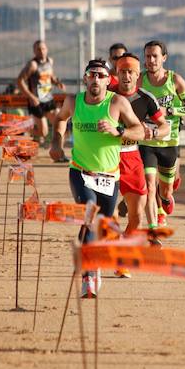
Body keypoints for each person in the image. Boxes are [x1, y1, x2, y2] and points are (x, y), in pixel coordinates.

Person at [48, 59, 144, 297]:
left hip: (109, 176)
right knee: (89, 218)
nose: (96, 79)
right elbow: (60, 119)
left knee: (98, 227)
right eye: (92, 74)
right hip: (80, 172)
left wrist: (118, 131)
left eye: (101, 75)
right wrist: (56, 143)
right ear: (85, 79)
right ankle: (88, 277)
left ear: (107, 80)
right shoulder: (73, 101)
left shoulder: (118, 103)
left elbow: (139, 130)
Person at [111, 53, 170, 273]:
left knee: (137, 213)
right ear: (116, 73)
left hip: (131, 156)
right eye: (122, 71)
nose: (126, 76)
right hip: (106, 157)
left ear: (138, 75)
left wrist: (152, 132)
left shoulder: (145, 98)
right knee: (108, 209)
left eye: (130, 72)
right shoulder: (107, 96)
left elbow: (165, 126)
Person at [138, 40, 185, 228]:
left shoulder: (175, 80)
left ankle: (165, 200)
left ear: (164, 58)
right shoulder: (140, 80)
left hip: (169, 143)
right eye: (147, 56)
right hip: (147, 141)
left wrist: (170, 111)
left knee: (165, 189)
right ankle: (153, 227)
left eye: (155, 56)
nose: (151, 60)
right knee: (149, 184)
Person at [17, 40, 67, 159]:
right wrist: (31, 97)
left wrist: (57, 82)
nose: (41, 51)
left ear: (47, 49)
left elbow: (50, 76)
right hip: (36, 102)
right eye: (38, 49)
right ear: (34, 51)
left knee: (60, 123)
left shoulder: (50, 61)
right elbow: (19, 81)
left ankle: (59, 153)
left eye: (43, 48)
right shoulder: (32, 65)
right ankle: (25, 131)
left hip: (48, 100)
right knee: (43, 132)